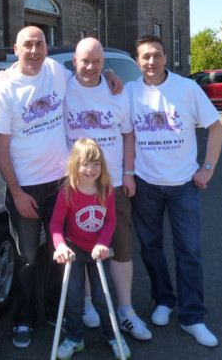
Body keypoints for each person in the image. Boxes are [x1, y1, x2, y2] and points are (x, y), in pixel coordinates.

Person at [0, 26, 123, 348]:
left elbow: (86, 72)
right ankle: (24, 319)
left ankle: (54, 309)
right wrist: (16, 193)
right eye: (28, 45)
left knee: (61, 251)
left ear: (46, 48)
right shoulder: (4, 88)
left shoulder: (54, 71)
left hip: (63, 182)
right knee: (28, 256)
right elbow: (0, 148)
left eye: (40, 44)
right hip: (27, 188)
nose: (34, 51)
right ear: (16, 48)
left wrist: (111, 73)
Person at [123, 35, 222, 347]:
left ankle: (193, 317)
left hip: (183, 186)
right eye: (144, 57)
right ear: (137, 61)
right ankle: (164, 300)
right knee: (150, 248)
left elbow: (216, 127)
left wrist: (206, 168)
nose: (151, 62)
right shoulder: (129, 91)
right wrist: (128, 173)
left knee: (189, 251)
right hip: (146, 185)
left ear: (166, 57)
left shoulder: (187, 88)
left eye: (156, 55)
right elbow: (126, 134)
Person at [64, 37, 152, 341]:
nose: (91, 67)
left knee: (122, 248)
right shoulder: (62, 88)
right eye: (85, 61)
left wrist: (128, 173)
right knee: (83, 246)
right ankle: (88, 305)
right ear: (74, 61)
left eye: (97, 61)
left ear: (105, 63)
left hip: (113, 183)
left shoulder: (118, 91)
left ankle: (126, 311)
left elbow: (128, 135)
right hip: (78, 187)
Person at [51, 138, 131, 360]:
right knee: (74, 297)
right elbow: (56, 224)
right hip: (74, 251)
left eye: (96, 164)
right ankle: (74, 337)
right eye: (85, 164)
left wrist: (103, 243)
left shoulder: (106, 189)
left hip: (98, 251)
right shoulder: (68, 191)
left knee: (102, 296)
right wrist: (60, 246)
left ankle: (113, 336)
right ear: (75, 165)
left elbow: (111, 221)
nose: (90, 169)